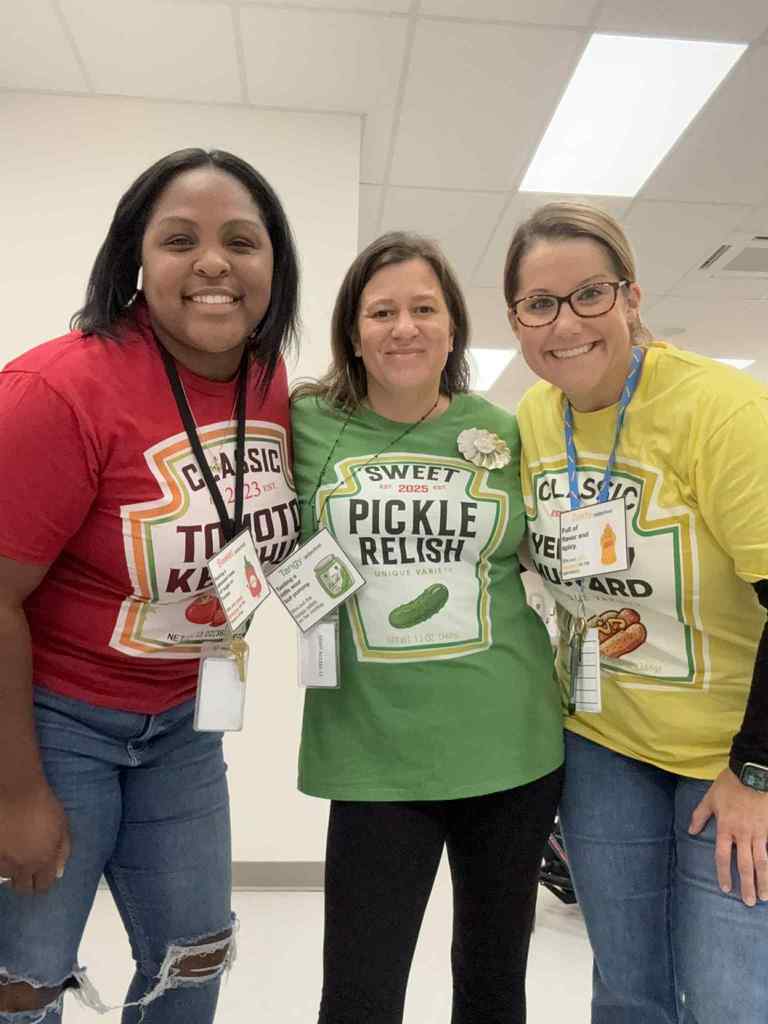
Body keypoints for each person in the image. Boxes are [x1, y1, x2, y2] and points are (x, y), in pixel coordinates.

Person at [0, 148, 300, 1023]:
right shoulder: (58, 389)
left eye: (241, 241)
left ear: (274, 264)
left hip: (184, 726)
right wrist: (15, 792)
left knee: (196, 955)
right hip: (56, 722)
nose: (214, 262)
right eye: (180, 240)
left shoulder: (269, 382)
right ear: (137, 257)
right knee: (25, 975)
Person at [291, 232, 563, 1024]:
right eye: (382, 311)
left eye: (423, 309)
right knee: (358, 992)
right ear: (353, 330)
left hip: (511, 747)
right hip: (373, 756)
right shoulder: (306, 422)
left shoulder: (508, 432)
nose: (403, 327)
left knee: (491, 984)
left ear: (452, 329)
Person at [506, 201, 768, 1024]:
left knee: (727, 997)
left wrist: (757, 773)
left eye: (590, 294)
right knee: (626, 987)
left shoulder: (721, 413)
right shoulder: (532, 421)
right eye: (539, 304)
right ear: (516, 319)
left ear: (631, 297)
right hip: (602, 746)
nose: (566, 323)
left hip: (727, 754)